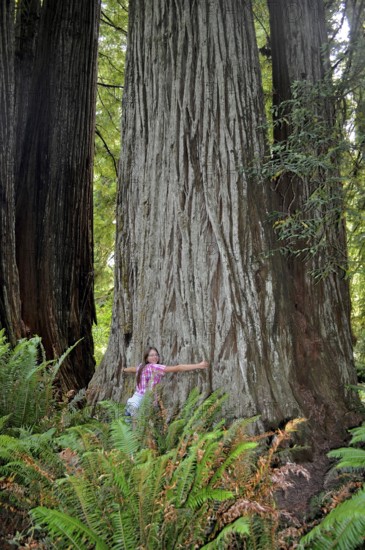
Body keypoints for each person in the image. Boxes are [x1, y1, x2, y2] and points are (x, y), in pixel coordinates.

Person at [123, 346, 209, 418]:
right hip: (140, 405)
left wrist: (124, 369)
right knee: (138, 433)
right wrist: (199, 365)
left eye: (156, 355)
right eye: (151, 355)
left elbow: (132, 369)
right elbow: (178, 368)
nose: (155, 357)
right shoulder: (153, 367)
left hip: (132, 403)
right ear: (146, 358)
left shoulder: (141, 366)